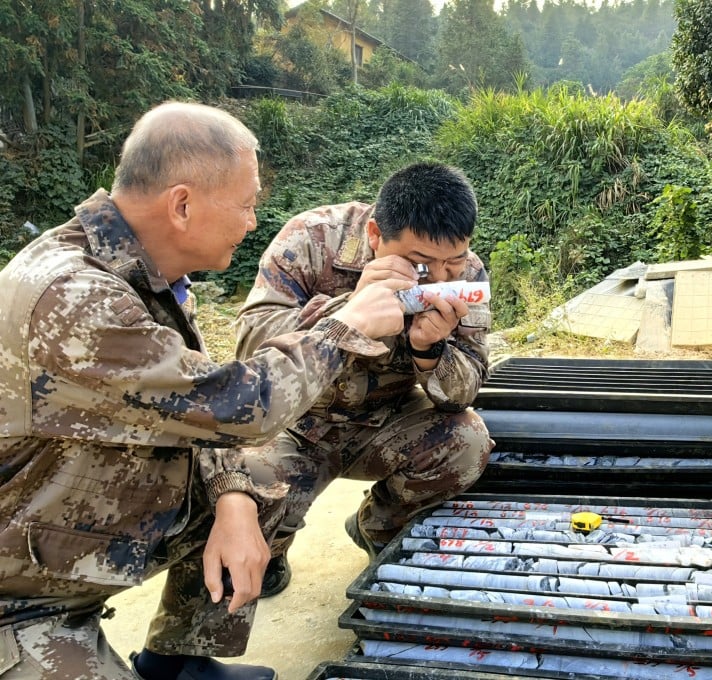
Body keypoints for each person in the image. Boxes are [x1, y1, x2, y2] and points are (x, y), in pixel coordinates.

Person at [0, 102, 411, 679]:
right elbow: (236, 405)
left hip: (63, 545)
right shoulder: (73, 298)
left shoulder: (136, 274)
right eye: (246, 205)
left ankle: (177, 660)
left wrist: (235, 498)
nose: (251, 222)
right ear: (183, 204)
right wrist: (346, 327)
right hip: (17, 598)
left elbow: (190, 412)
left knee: (262, 479)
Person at [235, 161, 494, 595]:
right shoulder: (312, 238)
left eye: (454, 261)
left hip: (387, 420)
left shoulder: (466, 272)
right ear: (375, 235)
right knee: (242, 486)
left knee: (466, 441)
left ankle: (376, 526)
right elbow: (250, 349)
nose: (441, 277)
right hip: (296, 422)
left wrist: (430, 351)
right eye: (421, 264)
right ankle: (272, 548)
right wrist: (349, 310)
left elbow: (463, 391)